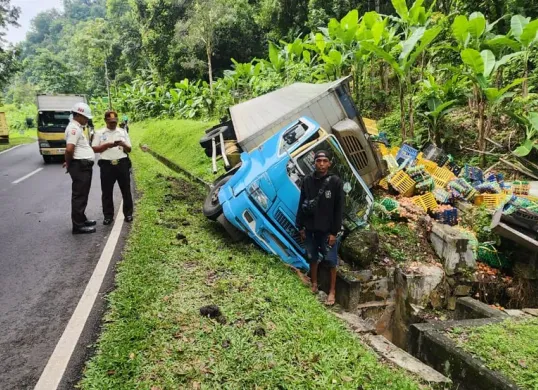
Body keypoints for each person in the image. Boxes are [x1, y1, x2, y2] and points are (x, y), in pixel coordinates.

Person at [296, 150, 344, 306]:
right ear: (314, 163)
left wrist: (334, 232)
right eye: (318, 161)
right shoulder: (307, 181)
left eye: (324, 161)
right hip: (310, 227)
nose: (321, 164)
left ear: (329, 163)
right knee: (312, 257)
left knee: (331, 261)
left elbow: (339, 209)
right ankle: (314, 284)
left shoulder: (335, 182)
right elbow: (302, 202)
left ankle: (332, 291)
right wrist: (301, 226)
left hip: (327, 231)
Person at [92, 110, 133, 225]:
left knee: (126, 190)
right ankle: (108, 216)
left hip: (122, 163)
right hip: (106, 165)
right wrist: (107, 145)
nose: (113, 124)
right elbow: (94, 149)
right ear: (105, 121)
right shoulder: (100, 133)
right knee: (106, 192)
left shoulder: (122, 132)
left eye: (115, 122)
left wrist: (123, 144)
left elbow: (129, 149)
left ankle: (128, 214)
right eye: (110, 122)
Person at [64, 102, 97, 234]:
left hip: (82, 166)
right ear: (78, 115)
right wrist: (68, 163)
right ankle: (78, 226)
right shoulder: (74, 129)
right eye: (85, 117)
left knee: (83, 194)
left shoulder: (77, 127)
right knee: (79, 196)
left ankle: (82, 219)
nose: (87, 119)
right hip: (80, 166)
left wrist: (68, 161)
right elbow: (69, 149)